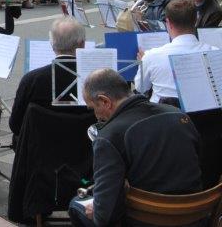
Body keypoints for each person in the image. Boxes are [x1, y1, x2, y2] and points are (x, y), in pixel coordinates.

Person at [68, 69, 202, 227]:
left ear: (105, 101)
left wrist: (97, 211)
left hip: (146, 220)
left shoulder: (109, 136)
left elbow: (105, 217)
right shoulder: (180, 116)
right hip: (194, 216)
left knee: (76, 204)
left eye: (93, 108)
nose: (96, 116)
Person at [9, 16, 87, 141]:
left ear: (52, 44)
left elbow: (15, 125)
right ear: (82, 44)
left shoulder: (31, 80)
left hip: (38, 153)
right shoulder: (94, 80)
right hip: (85, 152)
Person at [134, 0, 219, 103]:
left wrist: (143, 63)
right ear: (196, 19)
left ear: (168, 23)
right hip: (204, 117)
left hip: (162, 116)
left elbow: (140, 88)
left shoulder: (151, 56)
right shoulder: (216, 53)